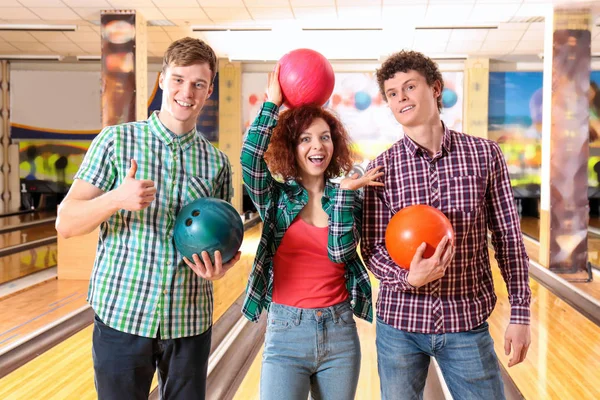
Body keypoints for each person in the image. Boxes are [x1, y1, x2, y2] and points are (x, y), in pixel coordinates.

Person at [55, 37, 240, 400]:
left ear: (208, 91)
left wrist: (221, 268)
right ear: (161, 79)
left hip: (189, 320)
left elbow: (223, 239)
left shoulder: (216, 162)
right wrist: (115, 199)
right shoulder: (116, 142)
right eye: (178, 80)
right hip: (123, 315)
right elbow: (67, 222)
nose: (186, 92)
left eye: (198, 84)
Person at [361, 50, 532, 400]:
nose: (401, 98)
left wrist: (521, 313)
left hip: (465, 321)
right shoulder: (381, 169)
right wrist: (408, 277)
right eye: (392, 94)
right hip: (400, 325)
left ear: (436, 88)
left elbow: (509, 239)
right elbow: (373, 249)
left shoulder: (485, 155)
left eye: (410, 87)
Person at [241, 64, 382, 400]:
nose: (316, 146)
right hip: (286, 332)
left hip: (339, 332)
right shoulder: (275, 198)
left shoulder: (345, 197)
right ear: (292, 147)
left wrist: (347, 194)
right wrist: (270, 105)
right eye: (305, 138)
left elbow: (340, 252)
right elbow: (249, 162)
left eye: (324, 137)